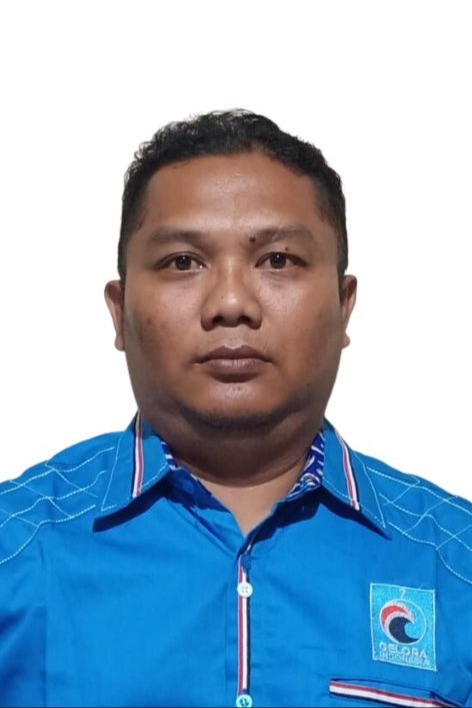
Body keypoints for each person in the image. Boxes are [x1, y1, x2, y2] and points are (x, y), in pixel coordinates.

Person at [1, 110, 471, 708]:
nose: (230, 302)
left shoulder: (454, 562)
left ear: (343, 305)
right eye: (183, 262)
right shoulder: (16, 551)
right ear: (119, 312)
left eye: (278, 260)